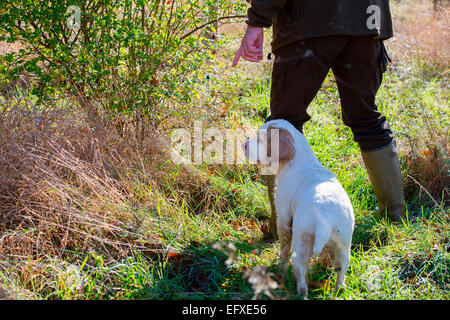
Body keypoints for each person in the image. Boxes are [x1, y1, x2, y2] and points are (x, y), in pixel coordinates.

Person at [232, 0, 406, 238]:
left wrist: (257, 21)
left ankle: (282, 229)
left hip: (308, 22)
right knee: (366, 118)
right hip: (366, 20)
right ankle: (395, 218)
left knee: (283, 124)